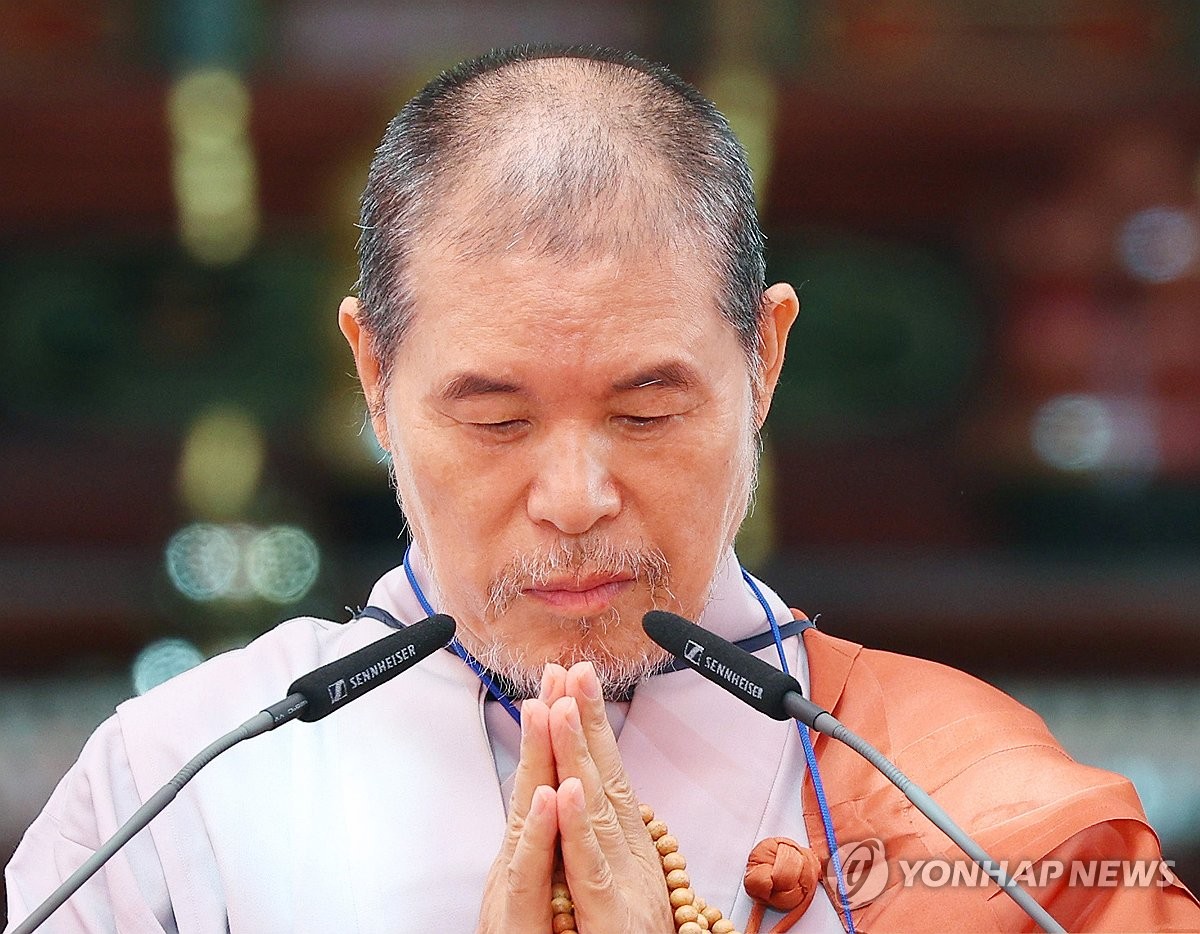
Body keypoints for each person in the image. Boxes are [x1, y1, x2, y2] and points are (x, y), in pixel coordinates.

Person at [5, 45, 1199, 934]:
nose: (574, 497)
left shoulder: (964, 808)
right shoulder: (187, 784)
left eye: (646, 412)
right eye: (494, 417)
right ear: (373, 375)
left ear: (765, 360)